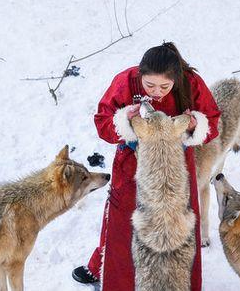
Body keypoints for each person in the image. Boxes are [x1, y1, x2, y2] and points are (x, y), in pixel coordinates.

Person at [71, 42, 221, 291]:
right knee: (124, 225)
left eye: (165, 86)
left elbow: (212, 121)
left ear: (176, 78)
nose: (156, 93)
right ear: (140, 75)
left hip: (175, 171)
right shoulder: (126, 81)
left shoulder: (191, 83)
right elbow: (102, 122)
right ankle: (110, 274)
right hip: (132, 166)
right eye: (149, 85)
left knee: (178, 226)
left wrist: (195, 124)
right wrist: (124, 122)